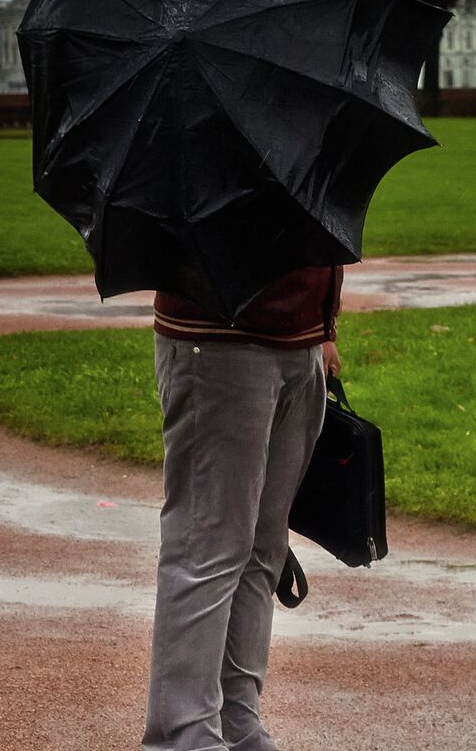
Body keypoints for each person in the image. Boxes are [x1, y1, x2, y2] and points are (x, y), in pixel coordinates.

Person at [144, 266, 342, 751]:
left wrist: (326, 327)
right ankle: (183, 736)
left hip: (300, 343)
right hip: (217, 344)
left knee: (263, 549)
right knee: (208, 550)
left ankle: (236, 721)